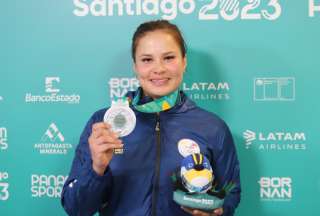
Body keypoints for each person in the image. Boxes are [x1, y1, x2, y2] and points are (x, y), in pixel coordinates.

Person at [61, 20, 241, 216]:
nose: (159, 69)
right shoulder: (104, 123)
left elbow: (230, 192)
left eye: (169, 58)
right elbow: (76, 209)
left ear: (184, 61)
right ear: (135, 66)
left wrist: (220, 210)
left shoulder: (212, 127)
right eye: (147, 60)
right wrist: (97, 168)